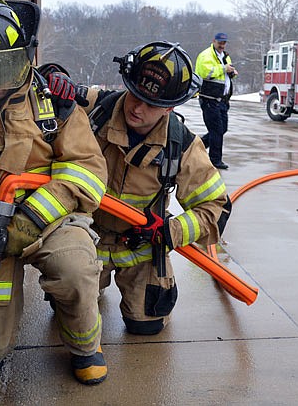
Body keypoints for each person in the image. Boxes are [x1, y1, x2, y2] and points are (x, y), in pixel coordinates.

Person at [0, 0, 109, 385]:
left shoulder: (54, 102)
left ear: (23, 56)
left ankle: (86, 346)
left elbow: (87, 171)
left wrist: (32, 218)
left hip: (48, 221)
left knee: (75, 270)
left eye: (1, 65)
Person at [61, 41, 230, 336]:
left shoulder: (183, 146)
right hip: (88, 237)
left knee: (146, 325)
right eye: (135, 95)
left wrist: (171, 232)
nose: (137, 108)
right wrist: (54, 78)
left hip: (140, 247)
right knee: (68, 301)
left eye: (151, 104)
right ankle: (87, 284)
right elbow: (51, 93)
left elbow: (217, 208)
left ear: (170, 107)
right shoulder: (97, 108)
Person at [195, 32, 238, 169]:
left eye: (224, 43)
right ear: (214, 41)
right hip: (209, 99)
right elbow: (205, 73)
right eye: (220, 42)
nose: (222, 45)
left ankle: (198, 145)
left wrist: (231, 73)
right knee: (216, 130)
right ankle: (215, 160)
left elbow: (225, 75)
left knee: (222, 129)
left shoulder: (225, 56)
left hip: (222, 100)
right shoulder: (205, 55)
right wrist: (223, 68)